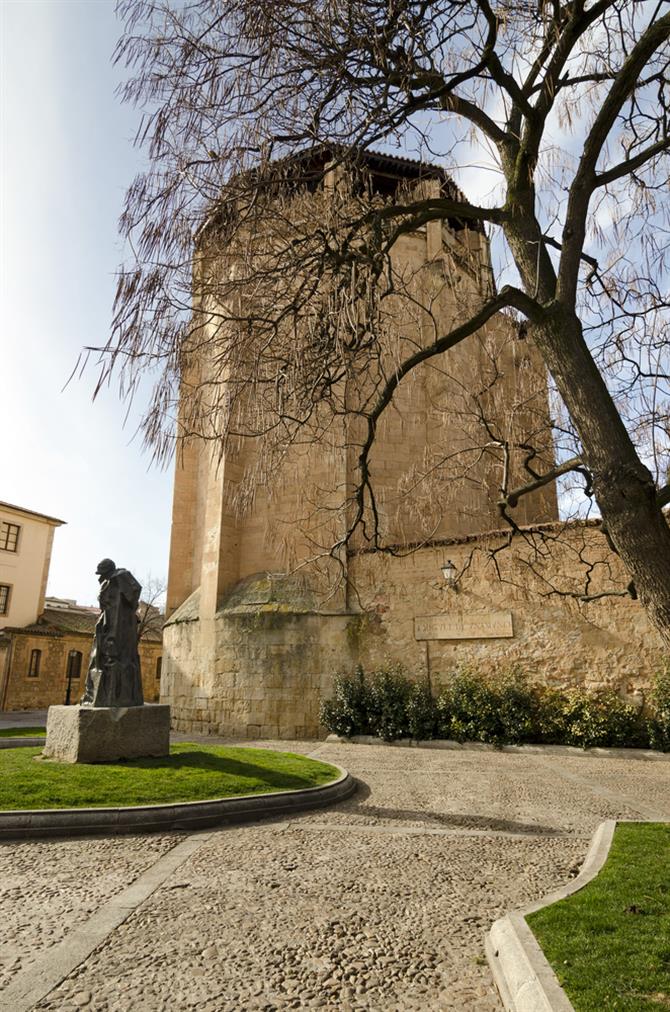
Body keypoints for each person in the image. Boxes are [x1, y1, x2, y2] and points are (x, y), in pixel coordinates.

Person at [81, 558, 144, 708]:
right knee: (100, 658)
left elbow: (130, 598)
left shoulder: (119, 578)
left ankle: (114, 696)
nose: (100, 578)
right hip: (109, 623)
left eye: (102, 574)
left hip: (117, 625)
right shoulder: (110, 582)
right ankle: (99, 695)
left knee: (113, 658)